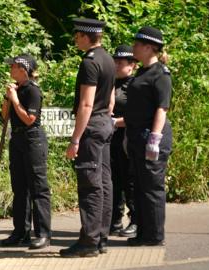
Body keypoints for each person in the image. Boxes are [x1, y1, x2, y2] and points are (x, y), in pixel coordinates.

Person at [60, 18, 115, 257]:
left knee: (90, 185)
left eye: (77, 35)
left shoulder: (90, 62)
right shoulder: (109, 59)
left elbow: (86, 103)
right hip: (105, 123)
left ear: (86, 36)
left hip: (92, 128)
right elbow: (110, 100)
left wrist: (75, 139)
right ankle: (101, 237)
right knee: (104, 183)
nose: (75, 39)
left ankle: (89, 242)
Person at [124, 26, 172, 246]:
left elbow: (162, 108)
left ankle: (154, 235)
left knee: (152, 187)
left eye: (137, 44)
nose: (133, 47)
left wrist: (154, 138)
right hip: (135, 136)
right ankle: (143, 232)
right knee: (140, 187)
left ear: (149, 47)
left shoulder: (160, 74)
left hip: (150, 136)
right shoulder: (142, 72)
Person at [0, 54, 51, 250]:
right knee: (19, 188)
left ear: (23, 69)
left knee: (38, 188)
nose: (10, 69)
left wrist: (15, 100)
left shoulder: (32, 90)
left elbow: (30, 119)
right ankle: (20, 231)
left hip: (33, 139)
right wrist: (7, 98)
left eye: (13, 66)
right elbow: (4, 117)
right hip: (17, 139)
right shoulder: (16, 89)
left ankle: (43, 233)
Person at [109, 45, 137, 238]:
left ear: (132, 65)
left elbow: (139, 115)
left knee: (130, 180)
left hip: (128, 137)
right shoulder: (109, 82)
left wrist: (117, 122)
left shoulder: (135, 86)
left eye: (121, 62)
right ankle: (115, 220)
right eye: (115, 62)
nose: (117, 65)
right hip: (110, 138)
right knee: (113, 180)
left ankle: (135, 219)